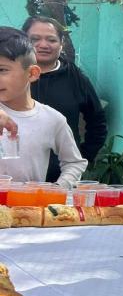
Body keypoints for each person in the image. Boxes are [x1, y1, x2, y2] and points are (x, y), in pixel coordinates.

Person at [0, 27, 87, 188]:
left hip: (27, 209)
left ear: (32, 73)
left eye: (2, 70)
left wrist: (57, 191)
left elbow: (74, 163)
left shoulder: (52, 119)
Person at [22, 16, 107, 178]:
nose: (43, 45)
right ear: (23, 42)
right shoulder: (10, 75)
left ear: (61, 44)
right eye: (35, 39)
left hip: (61, 178)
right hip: (13, 177)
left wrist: (83, 158)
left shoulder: (75, 77)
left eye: (51, 40)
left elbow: (97, 120)